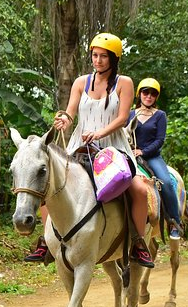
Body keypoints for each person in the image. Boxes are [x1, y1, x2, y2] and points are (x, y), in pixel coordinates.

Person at [51, 32, 155, 268]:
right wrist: (64, 120)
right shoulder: (80, 82)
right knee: (51, 183)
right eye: (95, 56)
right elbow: (70, 112)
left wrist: (99, 133)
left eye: (103, 57)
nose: (97, 61)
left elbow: (121, 118)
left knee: (138, 189)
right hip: (81, 146)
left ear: (114, 59)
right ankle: (46, 242)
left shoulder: (125, 83)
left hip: (113, 147)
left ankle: (139, 242)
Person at [128, 78, 182, 240]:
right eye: (145, 92)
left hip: (151, 157)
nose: (149, 96)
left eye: (153, 94)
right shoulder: (130, 114)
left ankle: (174, 222)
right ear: (139, 94)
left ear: (156, 97)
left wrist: (142, 152)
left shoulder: (160, 115)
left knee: (165, 181)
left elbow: (159, 141)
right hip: (129, 154)